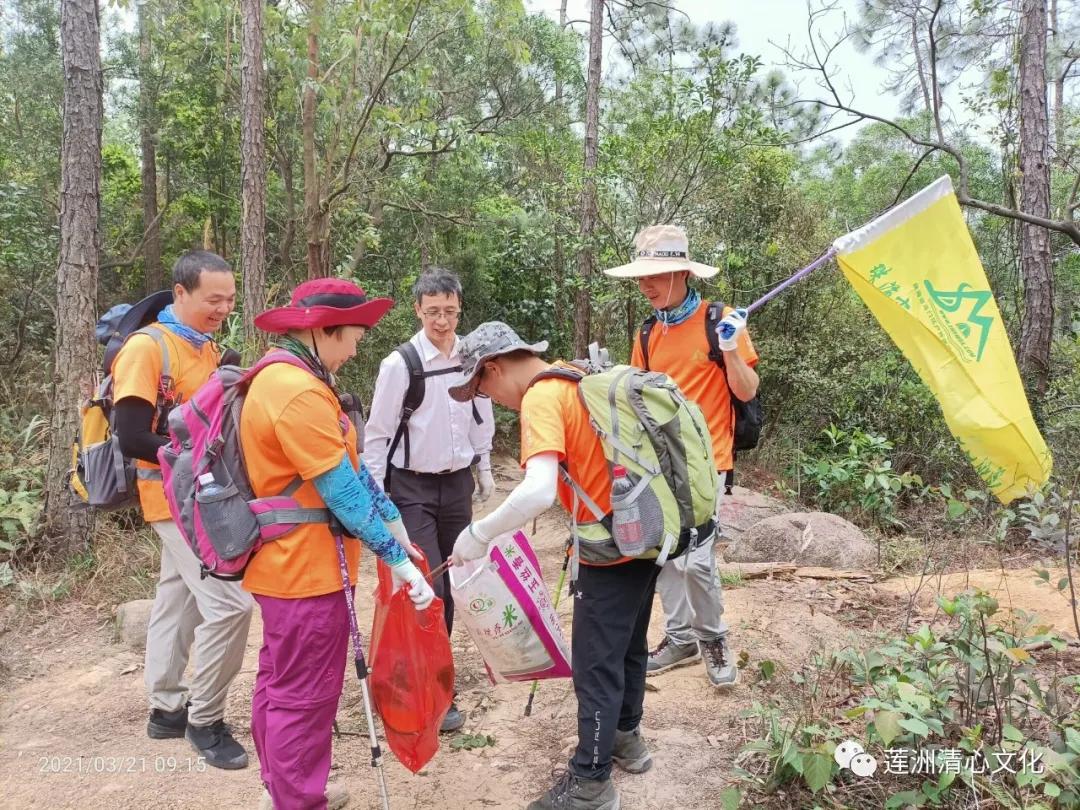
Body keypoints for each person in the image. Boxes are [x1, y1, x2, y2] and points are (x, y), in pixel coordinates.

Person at [242, 277, 436, 810]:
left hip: (294, 567)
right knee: (305, 697)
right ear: (325, 329)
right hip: (305, 573)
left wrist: (396, 530)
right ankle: (298, 800)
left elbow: (354, 472)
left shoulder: (299, 380)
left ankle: (280, 788)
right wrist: (398, 561)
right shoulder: (296, 390)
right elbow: (343, 492)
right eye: (354, 334)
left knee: (281, 683)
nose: (357, 347)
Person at [448, 322, 655, 810]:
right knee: (628, 643)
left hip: (609, 542)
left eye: (482, 389)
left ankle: (591, 782)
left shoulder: (542, 398)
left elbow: (539, 490)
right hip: (645, 529)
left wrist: (480, 533)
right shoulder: (576, 373)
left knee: (595, 662)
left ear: (493, 369)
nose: (492, 399)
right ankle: (627, 739)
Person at [112, 250, 253, 769]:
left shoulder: (209, 348)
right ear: (180, 293)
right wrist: (198, 457)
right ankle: (205, 719)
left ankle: (167, 708)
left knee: (177, 598)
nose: (222, 308)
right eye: (212, 299)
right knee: (231, 605)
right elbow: (131, 437)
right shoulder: (148, 348)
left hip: (196, 495)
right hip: (172, 498)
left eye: (229, 300)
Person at [604, 224, 759, 688]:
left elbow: (747, 390)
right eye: (641, 276)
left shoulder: (719, 321)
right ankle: (679, 637)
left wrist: (730, 349)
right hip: (658, 461)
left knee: (697, 560)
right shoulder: (648, 332)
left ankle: (713, 640)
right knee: (667, 553)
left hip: (708, 459)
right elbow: (638, 395)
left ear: (682, 273)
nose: (645, 284)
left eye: (655, 274)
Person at [363, 267, 495, 733]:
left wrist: (483, 466)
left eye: (451, 311)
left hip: (456, 485)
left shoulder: (470, 357)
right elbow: (376, 436)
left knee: (453, 583)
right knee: (425, 586)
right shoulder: (400, 365)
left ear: (461, 309)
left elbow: (481, 412)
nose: (443, 321)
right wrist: (376, 500)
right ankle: (424, 687)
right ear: (417, 309)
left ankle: (436, 677)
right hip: (411, 490)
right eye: (434, 311)